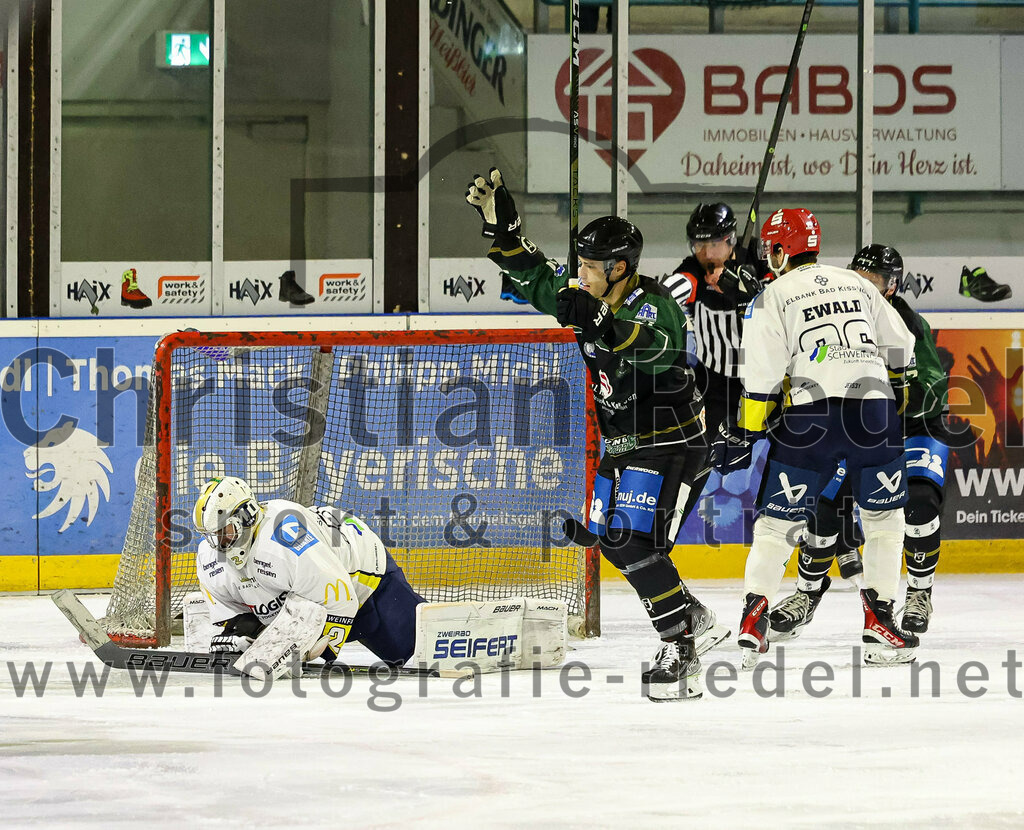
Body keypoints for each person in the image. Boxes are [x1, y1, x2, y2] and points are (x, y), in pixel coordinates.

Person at [466, 167, 728, 701]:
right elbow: (539, 278)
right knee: (613, 544)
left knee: (632, 542)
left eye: (589, 268)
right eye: (580, 266)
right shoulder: (588, 293)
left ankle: (681, 651)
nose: (579, 275)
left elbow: (654, 349)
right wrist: (505, 235)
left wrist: (598, 319)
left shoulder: (654, 303)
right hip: (624, 444)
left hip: (671, 442)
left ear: (620, 268)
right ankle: (691, 614)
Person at [711, 209, 919, 667]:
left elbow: (761, 377)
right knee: (884, 522)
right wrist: (899, 383)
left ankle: (753, 619)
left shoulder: (773, 294)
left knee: (776, 525)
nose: (768, 257)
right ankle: (881, 624)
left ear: (782, 249)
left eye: (771, 248)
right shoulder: (858, 282)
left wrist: (748, 432)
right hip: (874, 412)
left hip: (812, 416)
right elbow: (901, 342)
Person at [769, 245, 954, 639]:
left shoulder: (902, 320)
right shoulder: (839, 316)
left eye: (878, 281)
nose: (868, 286)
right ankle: (806, 594)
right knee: (824, 504)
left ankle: (919, 593)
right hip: (866, 428)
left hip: (916, 424)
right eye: (862, 277)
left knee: (918, 504)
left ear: (892, 286)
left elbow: (931, 387)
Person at [193, 476, 425, 667]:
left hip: (365, 577)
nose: (220, 545)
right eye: (211, 536)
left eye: (226, 532)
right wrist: (243, 634)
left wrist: (302, 652)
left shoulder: (284, 538)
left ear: (246, 517)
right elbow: (236, 616)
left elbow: (341, 599)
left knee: (421, 653)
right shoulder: (209, 557)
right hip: (309, 589)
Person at [661, 203, 766, 439]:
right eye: (699, 245)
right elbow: (667, 294)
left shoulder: (756, 257)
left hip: (760, 380)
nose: (706, 254)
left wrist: (751, 292)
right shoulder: (693, 269)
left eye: (714, 244)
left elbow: (784, 301)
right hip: (713, 383)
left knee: (757, 453)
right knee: (711, 455)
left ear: (730, 240)